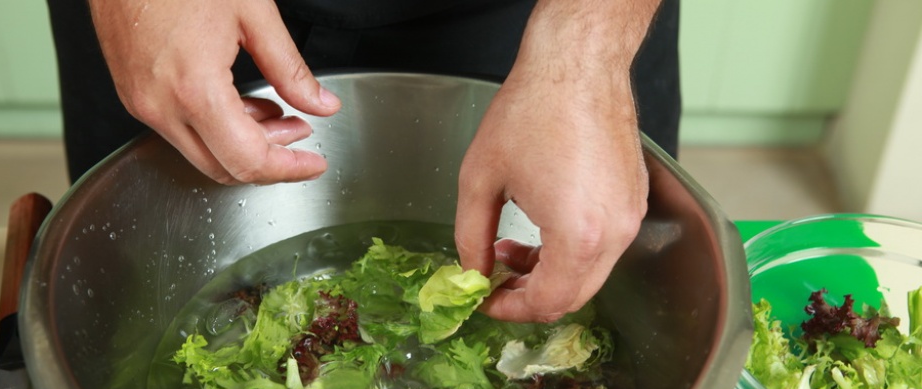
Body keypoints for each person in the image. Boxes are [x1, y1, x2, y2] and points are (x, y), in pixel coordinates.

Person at [46, 0, 680, 323]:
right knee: (127, 297)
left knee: (594, 269)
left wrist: (587, 51)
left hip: (549, 20)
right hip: (186, 22)